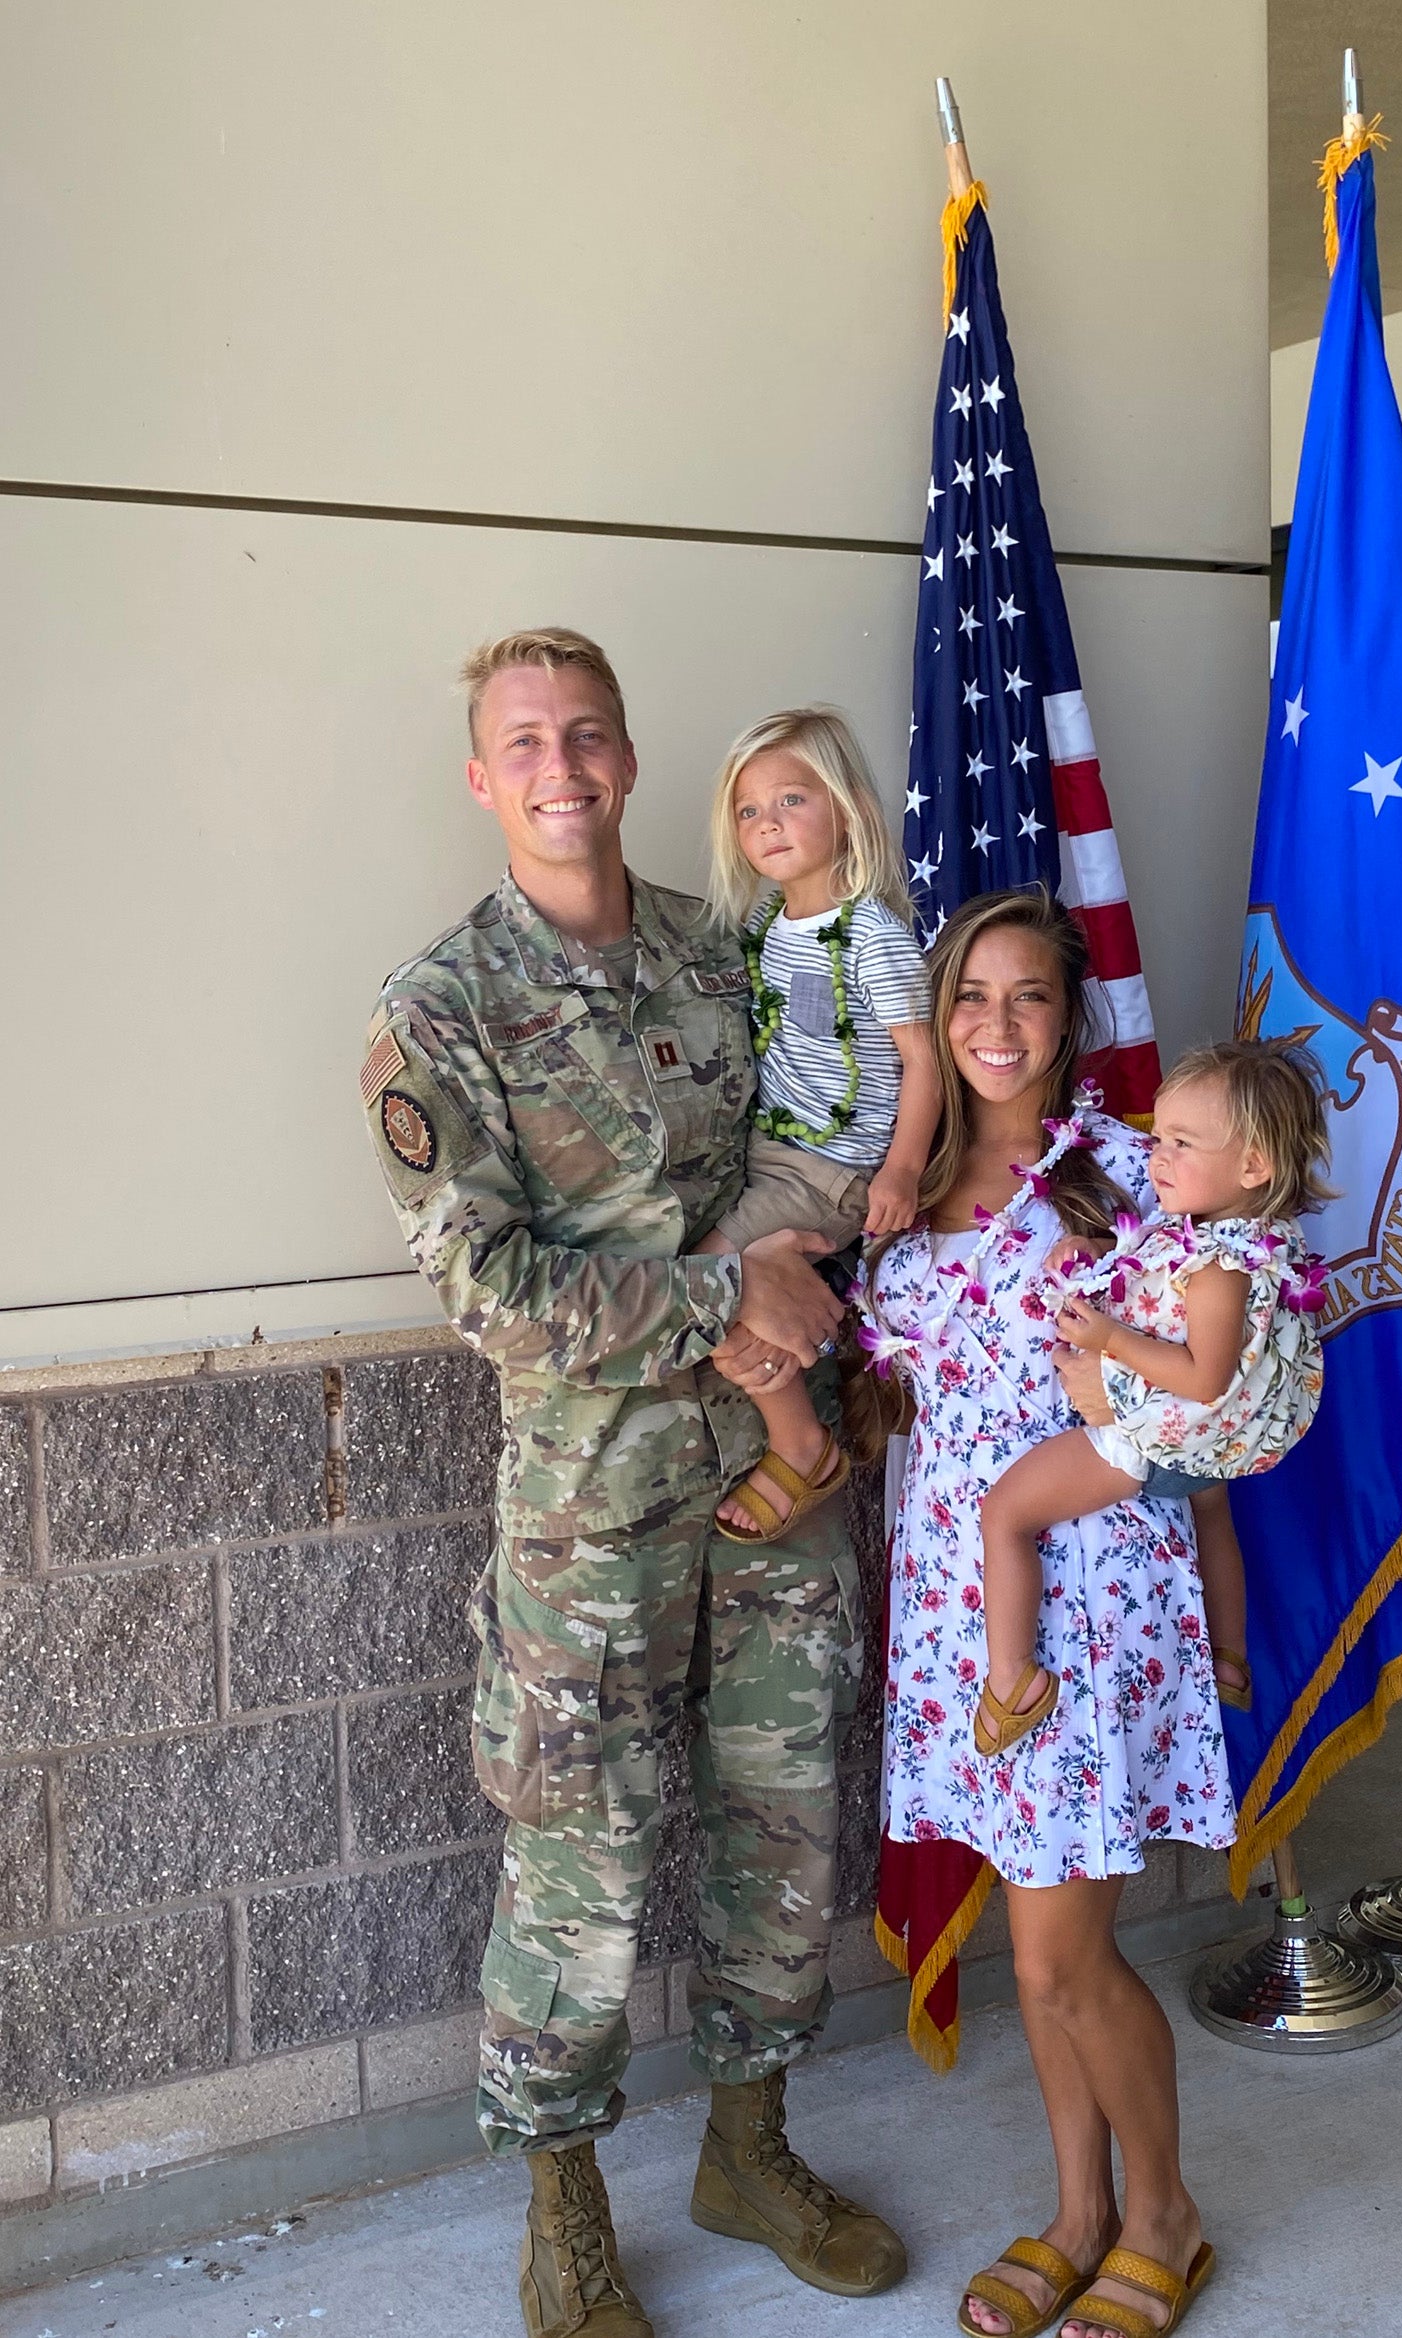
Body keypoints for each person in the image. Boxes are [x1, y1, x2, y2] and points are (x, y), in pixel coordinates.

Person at [361, 628, 905, 2338]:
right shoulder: (433, 1008)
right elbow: (486, 1287)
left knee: (783, 1825)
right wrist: (718, 1297)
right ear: (482, 775)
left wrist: (810, 1299)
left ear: (629, 753)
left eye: (587, 732)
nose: (563, 766)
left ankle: (751, 2146)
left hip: (777, 1476)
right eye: (524, 740)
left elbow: (803, 1164)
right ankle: (563, 2208)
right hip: (594, 1513)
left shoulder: (718, 947)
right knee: (580, 1862)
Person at [858, 889, 1232, 2338]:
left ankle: (1164, 2217)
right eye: (969, 997)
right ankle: (1079, 2211)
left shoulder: (1136, 1177)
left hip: (1092, 1596)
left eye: (1028, 997)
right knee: (1032, 1947)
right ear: (936, 1021)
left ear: (1071, 1021)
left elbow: (1225, 1378)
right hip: (961, 1597)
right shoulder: (896, 1191)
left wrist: (1221, 1576)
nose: (997, 1025)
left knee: (1060, 1952)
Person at [975, 1039, 1330, 1751]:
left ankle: (1012, 1679)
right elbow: (1154, 1270)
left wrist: (1108, 1340)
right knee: (1211, 1513)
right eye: (1159, 1137)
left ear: (1253, 1164)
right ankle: (1228, 1657)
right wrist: (1099, 1254)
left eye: (1180, 1142)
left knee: (1005, 1513)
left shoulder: (1222, 1269)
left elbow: (1203, 1375)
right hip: (1205, 1452)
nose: (1156, 1156)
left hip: (1148, 1438)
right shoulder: (1225, 1236)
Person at [698, 706, 941, 1542]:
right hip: (771, 1152)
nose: (768, 824)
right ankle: (792, 1358)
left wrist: (902, 1168)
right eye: (749, 810)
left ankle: (802, 1445)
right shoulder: (767, 928)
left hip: (831, 1169)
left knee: (708, 1279)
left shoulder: (872, 936)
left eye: (792, 800)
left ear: (848, 809)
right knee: (724, 1282)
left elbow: (924, 1059)